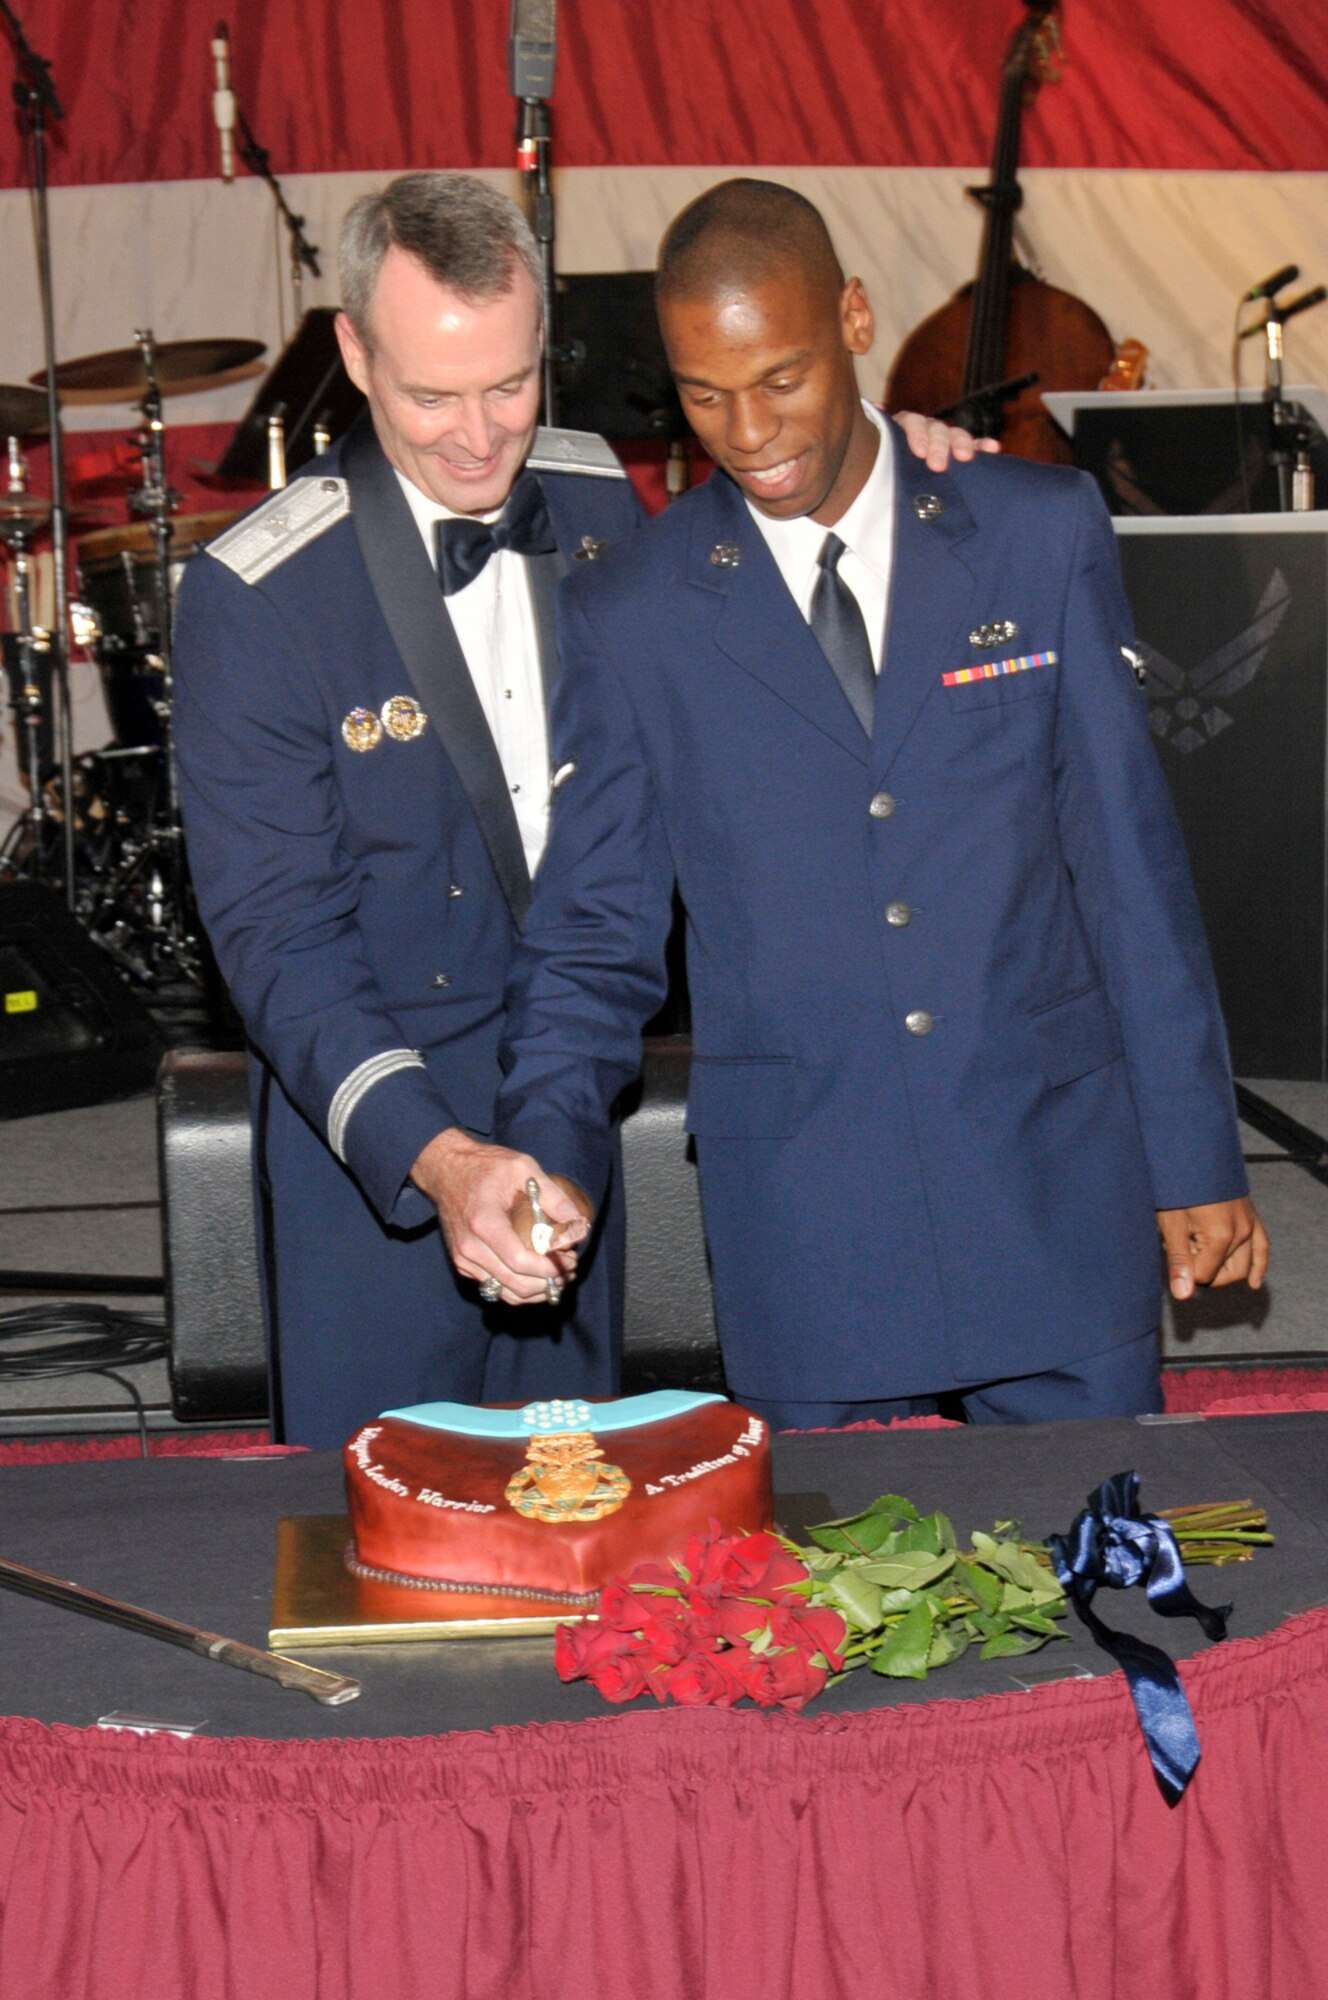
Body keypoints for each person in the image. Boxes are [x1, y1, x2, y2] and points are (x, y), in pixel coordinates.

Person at [436, 178, 1268, 1430]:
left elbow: (1123, 864)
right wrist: (543, 1148)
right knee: (818, 1558)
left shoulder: (1034, 529)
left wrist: (1191, 1150)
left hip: (1049, 1178)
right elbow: (594, 931)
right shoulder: (634, 609)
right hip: (806, 1218)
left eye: (780, 378)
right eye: (703, 394)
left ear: (855, 319)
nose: (747, 431)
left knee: (1099, 1537)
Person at [173, 171, 977, 1446]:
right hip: (378, 1136)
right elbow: (278, 942)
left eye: (509, 385)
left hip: (574, 1094)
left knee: (578, 1493)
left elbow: (785, 558)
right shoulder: (258, 594)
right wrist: (440, 1156)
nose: (477, 436)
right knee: (384, 1518)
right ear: (354, 355)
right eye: (431, 395)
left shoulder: (599, 498)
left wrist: (900, 461)